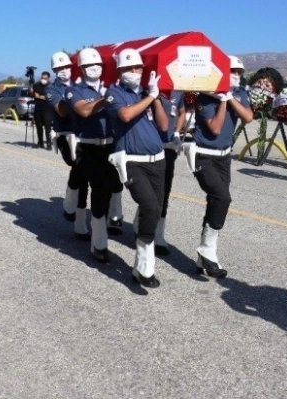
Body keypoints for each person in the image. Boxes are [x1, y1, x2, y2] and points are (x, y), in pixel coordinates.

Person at [105, 48, 168, 287]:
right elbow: (125, 115)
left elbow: (163, 126)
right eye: (129, 68)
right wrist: (150, 98)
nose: (134, 72)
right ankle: (144, 267)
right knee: (150, 205)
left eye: (138, 68)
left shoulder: (147, 93)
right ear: (120, 71)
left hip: (157, 160)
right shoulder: (114, 93)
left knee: (155, 208)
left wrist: (157, 97)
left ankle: (141, 261)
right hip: (131, 161)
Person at [187, 55, 253, 278]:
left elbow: (248, 117)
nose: (236, 76)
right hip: (204, 155)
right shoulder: (206, 98)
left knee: (215, 202)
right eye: (232, 72)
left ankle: (202, 258)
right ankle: (207, 251)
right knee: (222, 197)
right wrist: (222, 101)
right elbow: (215, 128)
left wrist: (229, 97)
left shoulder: (240, 93)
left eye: (239, 73)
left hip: (224, 157)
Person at [66, 47, 118, 262]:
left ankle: (102, 224)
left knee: (114, 187)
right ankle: (98, 243)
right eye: (89, 65)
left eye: (97, 65)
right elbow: (85, 110)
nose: (94, 68)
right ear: (82, 68)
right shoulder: (75, 91)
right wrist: (108, 99)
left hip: (110, 147)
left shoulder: (110, 88)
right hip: (87, 147)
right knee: (99, 189)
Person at [131, 89, 186, 256]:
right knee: (148, 190)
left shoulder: (177, 92)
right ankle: (141, 219)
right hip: (149, 146)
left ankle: (159, 234)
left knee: (164, 190)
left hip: (168, 146)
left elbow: (182, 112)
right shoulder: (147, 90)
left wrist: (177, 131)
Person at [46, 51, 90, 240]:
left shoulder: (82, 83)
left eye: (66, 67)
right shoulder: (51, 89)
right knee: (80, 169)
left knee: (87, 174)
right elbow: (62, 111)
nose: (64, 70)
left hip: (85, 134)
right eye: (60, 68)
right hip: (66, 136)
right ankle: (76, 214)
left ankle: (78, 215)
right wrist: (76, 99)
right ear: (55, 70)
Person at [31, 71, 53, 149]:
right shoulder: (37, 85)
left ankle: (49, 143)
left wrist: (39, 96)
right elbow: (33, 94)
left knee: (48, 128)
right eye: (42, 78)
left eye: (45, 78)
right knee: (38, 127)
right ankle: (40, 143)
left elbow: (49, 97)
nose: (43, 79)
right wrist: (31, 92)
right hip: (37, 108)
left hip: (47, 109)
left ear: (48, 78)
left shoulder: (51, 86)